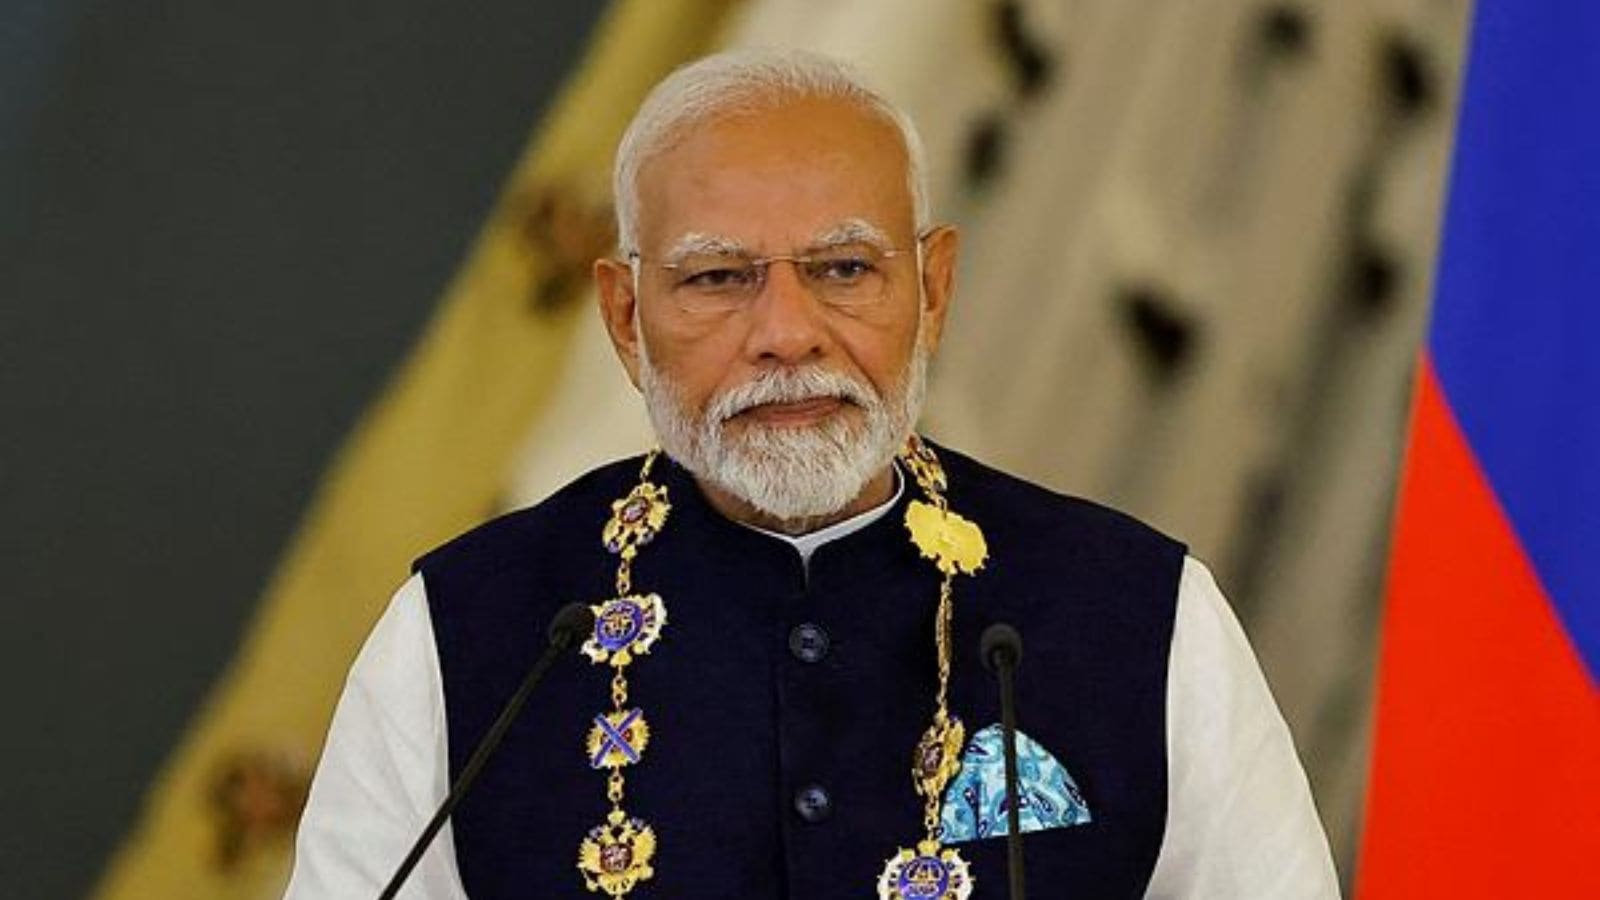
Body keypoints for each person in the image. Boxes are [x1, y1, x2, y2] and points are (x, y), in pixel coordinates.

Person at [285, 48, 1338, 899]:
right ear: (623, 317)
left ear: (932, 289)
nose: (786, 333)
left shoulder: (1135, 611)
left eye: (843, 269)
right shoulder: (469, 632)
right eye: (716, 278)